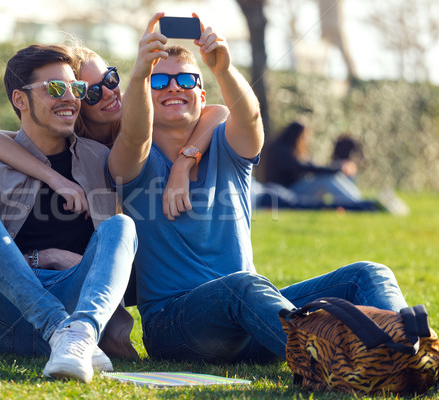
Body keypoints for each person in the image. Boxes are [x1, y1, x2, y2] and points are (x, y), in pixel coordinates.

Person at [107, 12, 409, 363]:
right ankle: (332, 365)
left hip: (250, 318)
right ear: (145, 94)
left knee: (368, 274)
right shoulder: (133, 163)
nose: (174, 87)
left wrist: (222, 68)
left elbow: (247, 116)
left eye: (186, 80)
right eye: (159, 83)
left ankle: (410, 352)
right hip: (175, 326)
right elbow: (133, 133)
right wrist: (141, 70)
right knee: (243, 287)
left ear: (202, 96)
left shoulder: (228, 149)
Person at [0, 44, 138, 383]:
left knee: (122, 226)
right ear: (20, 100)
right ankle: (63, 330)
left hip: (78, 310)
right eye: (55, 88)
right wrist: (44, 258)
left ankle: (79, 333)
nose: (69, 98)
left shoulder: (99, 161)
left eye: (76, 88)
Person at [0, 45, 228, 222]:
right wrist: (52, 177)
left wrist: (183, 165)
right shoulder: (71, 143)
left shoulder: (130, 108)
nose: (108, 93)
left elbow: (218, 111)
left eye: (110, 79)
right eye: (91, 92)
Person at [264, 121, 367, 207]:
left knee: (327, 177)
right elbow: (304, 167)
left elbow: (310, 165)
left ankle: (358, 200)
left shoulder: (289, 150)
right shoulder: (281, 151)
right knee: (325, 179)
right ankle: (358, 203)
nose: (305, 140)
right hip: (286, 193)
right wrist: (336, 168)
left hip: (294, 189)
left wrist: (335, 168)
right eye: (304, 137)